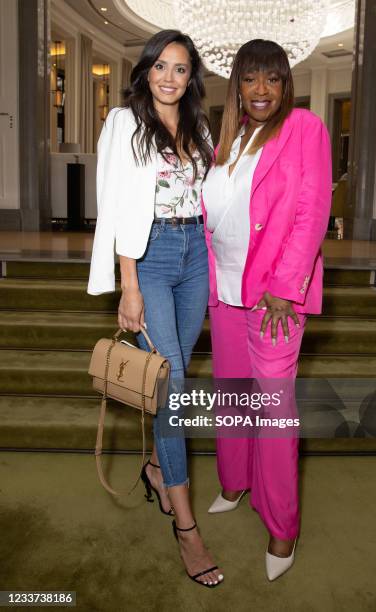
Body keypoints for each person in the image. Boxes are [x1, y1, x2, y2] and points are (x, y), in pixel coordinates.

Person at [87, 29, 224, 588]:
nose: (170, 78)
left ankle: (154, 467)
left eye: (181, 69)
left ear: (192, 78)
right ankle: (187, 527)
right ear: (145, 71)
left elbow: (214, 192)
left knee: (179, 374)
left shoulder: (200, 125)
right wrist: (129, 283)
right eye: (161, 67)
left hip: (196, 254)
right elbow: (116, 200)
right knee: (174, 385)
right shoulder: (124, 123)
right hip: (151, 255)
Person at [201, 39, 332, 581]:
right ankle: (234, 481)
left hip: (275, 298)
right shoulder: (228, 141)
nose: (261, 90)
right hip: (226, 293)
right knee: (232, 394)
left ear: (285, 86)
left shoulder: (304, 129)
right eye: (251, 79)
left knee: (275, 412)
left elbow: (311, 209)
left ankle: (283, 525)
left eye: (272, 79)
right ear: (237, 86)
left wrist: (285, 285)